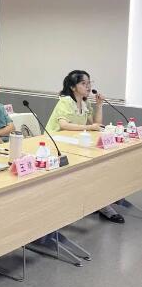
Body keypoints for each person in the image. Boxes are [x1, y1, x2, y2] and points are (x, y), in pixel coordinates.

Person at [45, 70, 123, 224]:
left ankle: (99, 203)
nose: (88, 86)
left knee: (97, 166)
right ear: (73, 87)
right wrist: (89, 127)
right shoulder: (65, 101)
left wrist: (99, 105)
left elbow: (96, 124)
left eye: (89, 83)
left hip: (73, 143)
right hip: (55, 144)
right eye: (83, 83)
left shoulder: (85, 103)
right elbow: (64, 125)